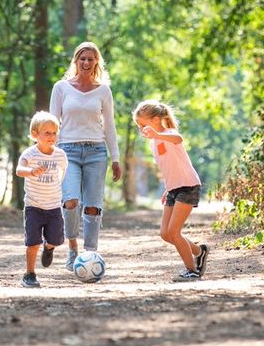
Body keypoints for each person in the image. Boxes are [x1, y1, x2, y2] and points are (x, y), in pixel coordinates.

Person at [49, 42, 121, 270]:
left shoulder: (103, 91)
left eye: (91, 59)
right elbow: (51, 123)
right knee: (71, 202)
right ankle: (72, 249)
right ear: (75, 61)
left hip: (96, 152)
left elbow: (109, 126)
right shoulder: (61, 87)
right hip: (67, 151)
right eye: (82, 59)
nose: (86, 63)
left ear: (96, 62)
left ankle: (90, 255)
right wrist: (48, 155)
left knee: (92, 206)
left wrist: (116, 157)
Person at [132, 99, 209, 281]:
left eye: (143, 124)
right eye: (139, 126)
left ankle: (192, 271)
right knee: (166, 234)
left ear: (156, 120)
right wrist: (167, 189)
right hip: (173, 188)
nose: (141, 129)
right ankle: (200, 251)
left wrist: (158, 135)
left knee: (174, 232)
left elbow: (178, 139)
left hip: (188, 186)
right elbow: (168, 167)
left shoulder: (169, 134)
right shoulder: (153, 144)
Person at [15, 111, 68, 288]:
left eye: (54, 133)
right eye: (47, 133)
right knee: (32, 243)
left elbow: (63, 175)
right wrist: (30, 171)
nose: (52, 136)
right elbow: (19, 170)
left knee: (56, 239)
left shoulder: (60, 155)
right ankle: (30, 274)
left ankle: (49, 247)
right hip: (33, 206)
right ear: (35, 135)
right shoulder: (29, 154)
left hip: (53, 207)